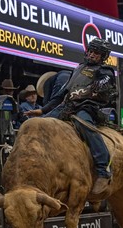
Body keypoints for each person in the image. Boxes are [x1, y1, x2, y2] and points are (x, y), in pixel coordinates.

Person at [26, 38, 116, 195]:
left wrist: (93, 88)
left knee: (84, 125)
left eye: (97, 53)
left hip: (88, 107)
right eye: (91, 51)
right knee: (40, 123)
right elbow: (62, 94)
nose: (92, 54)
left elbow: (104, 84)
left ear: (102, 56)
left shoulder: (105, 71)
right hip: (67, 106)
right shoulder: (79, 68)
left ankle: (104, 170)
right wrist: (42, 111)